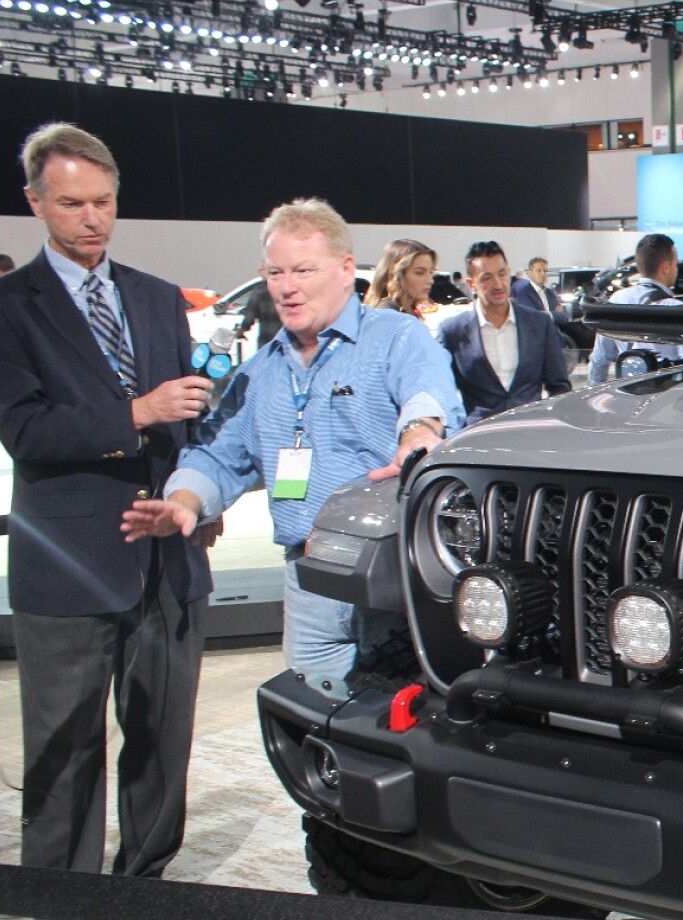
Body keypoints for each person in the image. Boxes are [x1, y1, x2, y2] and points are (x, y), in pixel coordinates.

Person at [0, 122, 215, 920]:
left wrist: (194, 497)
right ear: (35, 204)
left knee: (161, 740)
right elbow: (26, 430)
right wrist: (138, 411)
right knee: (66, 754)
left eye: (104, 202)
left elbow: (192, 420)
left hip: (167, 557)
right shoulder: (7, 308)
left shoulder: (158, 298)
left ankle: (144, 881)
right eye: (72, 203)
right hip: (69, 566)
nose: (92, 219)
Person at [122, 198, 464, 689]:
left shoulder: (396, 337)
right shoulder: (259, 372)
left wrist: (418, 435)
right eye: (275, 272)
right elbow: (217, 453)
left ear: (345, 269)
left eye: (303, 270)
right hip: (309, 584)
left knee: (413, 717)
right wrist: (184, 500)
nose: (286, 286)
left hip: (397, 576)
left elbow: (426, 396)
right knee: (318, 721)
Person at [441, 240, 570, 424]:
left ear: (509, 273)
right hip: (479, 434)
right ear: (471, 284)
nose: (498, 284)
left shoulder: (540, 324)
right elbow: (442, 394)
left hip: (530, 431)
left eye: (502, 274)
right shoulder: (453, 332)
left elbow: (560, 387)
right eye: (486, 278)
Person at [587, 233, 683, 381]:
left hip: (627, 389)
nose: (676, 269)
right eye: (675, 264)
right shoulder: (677, 310)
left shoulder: (616, 300)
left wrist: (594, 392)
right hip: (666, 392)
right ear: (666, 267)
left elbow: (599, 360)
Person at [362, 238, 437, 320]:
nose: (430, 281)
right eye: (419, 273)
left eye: (431, 272)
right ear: (397, 274)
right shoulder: (387, 315)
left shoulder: (404, 310)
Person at [511, 256, 568, 322]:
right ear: (530, 273)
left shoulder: (550, 292)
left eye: (545, 271)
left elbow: (565, 316)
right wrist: (554, 314)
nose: (543, 274)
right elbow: (533, 317)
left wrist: (544, 314)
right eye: (539, 271)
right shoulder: (524, 294)